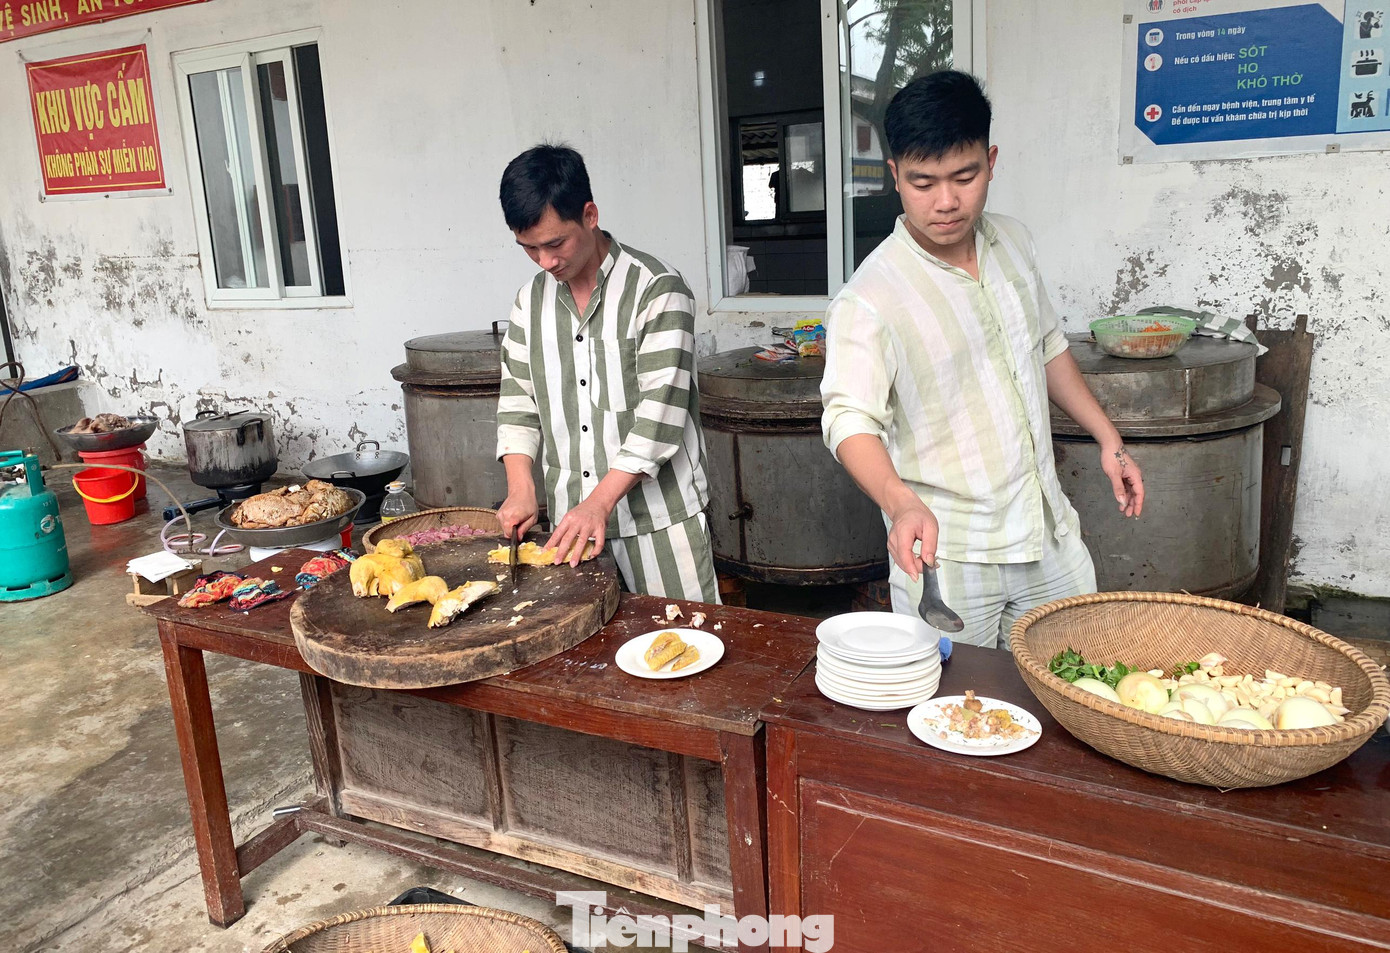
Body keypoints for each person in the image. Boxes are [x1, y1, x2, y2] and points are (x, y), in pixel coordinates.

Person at [819, 71, 1144, 648]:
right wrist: (899, 503)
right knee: (956, 716)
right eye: (923, 182)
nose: (946, 202)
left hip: (1046, 526)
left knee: (1079, 683)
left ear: (991, 161)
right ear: (894, 175)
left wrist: (1107, 438)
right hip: (949, 552)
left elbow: (1046, 345)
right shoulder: (870, 296)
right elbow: (848, 419)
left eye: (964, 177)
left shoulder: (1013, 242)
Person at [494, 144, 719, 602]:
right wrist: (521, 488)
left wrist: (599, 502)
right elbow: (518, 402)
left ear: (590, 215)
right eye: (529, 249)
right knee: (583, 660)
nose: (545, 262)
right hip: (570, 528)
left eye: (555, 243)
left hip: (659, 522)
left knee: (683, 651)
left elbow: (660, 418)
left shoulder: (657, 291)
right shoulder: (529, 303)